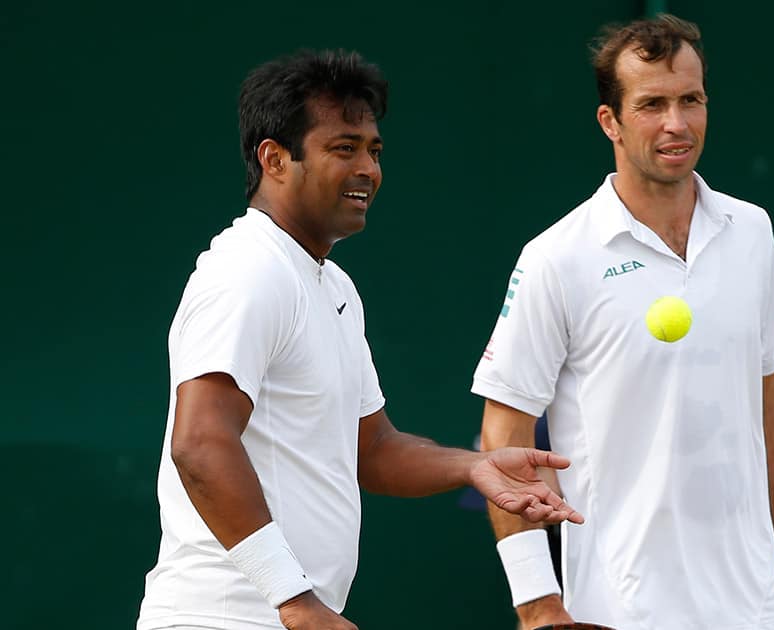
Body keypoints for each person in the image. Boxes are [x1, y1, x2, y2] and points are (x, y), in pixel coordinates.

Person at [136, 49, 582, 630]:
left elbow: (372, 450)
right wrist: (295, 600)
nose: (368, 168)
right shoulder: (248, 271)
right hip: (222, 618)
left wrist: (474, 467)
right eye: (343, 148)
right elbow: (199, 443)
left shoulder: (332, 284)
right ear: (274, 159)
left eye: (373, 149)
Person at [472, 14, 774, 630]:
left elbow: (769, 399)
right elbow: (504, 433)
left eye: (691, 100)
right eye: (652, 104)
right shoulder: (557, 258)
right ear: (611, 122)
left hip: (756, 610)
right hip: (621, 612)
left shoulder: (753, 233)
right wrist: (538, 604)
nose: (676, 124)